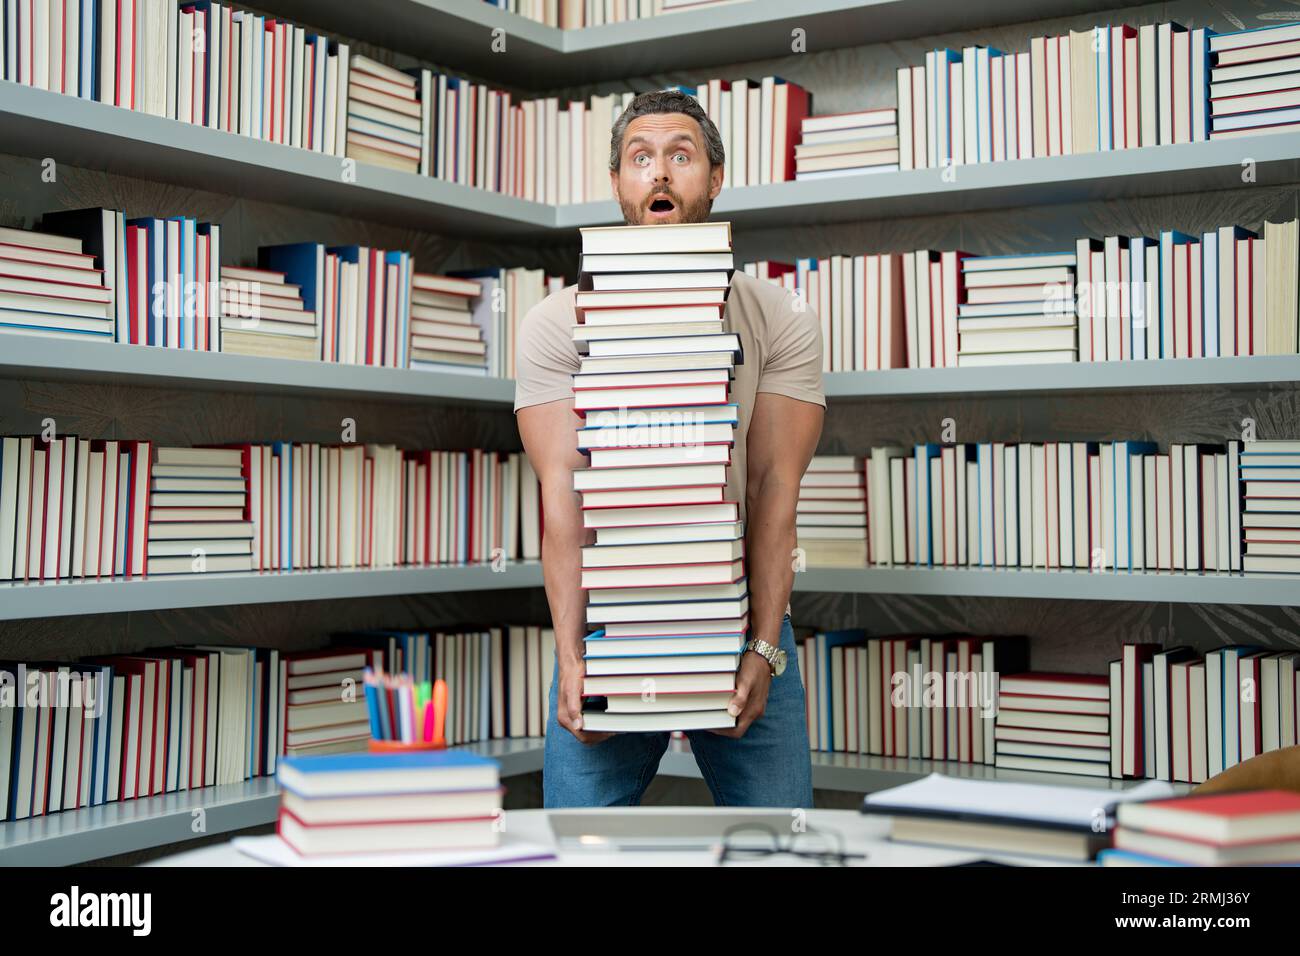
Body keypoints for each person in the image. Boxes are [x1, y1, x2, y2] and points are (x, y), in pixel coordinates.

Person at [514, 89, 825, 808]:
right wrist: (571, 658)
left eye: (681, 156)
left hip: (742, 615)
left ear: (716, 179)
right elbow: (561, 499)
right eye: (640, 157)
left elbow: (777, 491)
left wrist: (765, 647)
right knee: (579, 847)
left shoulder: (781, 318)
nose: (659, 173)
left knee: (780, 845)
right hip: (610, 622)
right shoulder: (555, 325)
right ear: (619, 183)